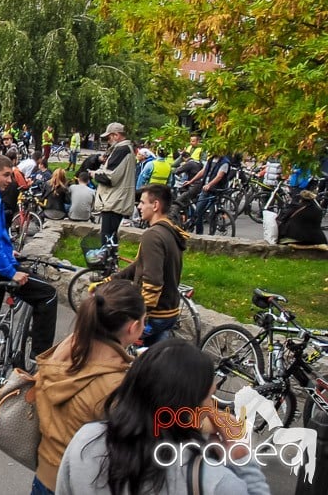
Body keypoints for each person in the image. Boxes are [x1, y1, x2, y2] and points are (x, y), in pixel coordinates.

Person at [56, 339, 270, 495]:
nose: (212, 406)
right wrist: (241, 457)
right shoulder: (213, 482)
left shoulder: (86, 440)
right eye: (209, 396)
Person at [33, 280, 144, 495]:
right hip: (84, 484)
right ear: (133, 328)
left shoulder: (66, 350)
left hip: (44, 476)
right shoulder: (116, 386)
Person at [0, 155, 58, 391]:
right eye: (6, 175)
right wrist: (10, 270)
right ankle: (40, 357)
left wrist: (9, 251)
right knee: (48, 294)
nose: (10, 180)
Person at [104, 184, 187, 346]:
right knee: (153, 360)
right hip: (169, 311)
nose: (139, 207)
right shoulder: (169, 231)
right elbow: (139, 264)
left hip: (155, 315)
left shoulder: (152, 236)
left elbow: (153, 282)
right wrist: (110, 280)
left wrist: (140, 315)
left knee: (113, 344)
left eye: (142, 202)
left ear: (155, 205)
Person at [89, 122, 135, 244]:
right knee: (111, 236)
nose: (108, 140)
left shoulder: (121, 150)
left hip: (114, 202)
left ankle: (107, 261)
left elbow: (110, 178)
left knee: (107, 237)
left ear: (116, 135)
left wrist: (95, 174)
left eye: (109, 137)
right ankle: (110, 260)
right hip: (117, 200)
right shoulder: (126, 149)